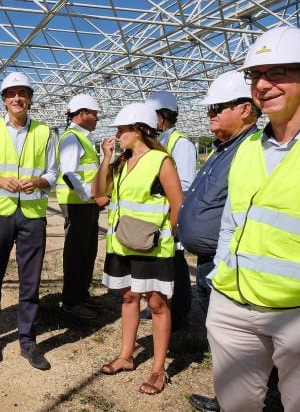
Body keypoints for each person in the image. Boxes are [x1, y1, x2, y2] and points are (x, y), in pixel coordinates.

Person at [207, 25, 300, 411]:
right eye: (256, 75)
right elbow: (231, 221)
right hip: (233, 308)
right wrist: (220, 276)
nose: (263, 85)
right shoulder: (250, 145)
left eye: (278, 73)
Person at [176, 70, 260, 412]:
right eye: (210, 108)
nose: (210, 113)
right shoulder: (224, 148)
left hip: (230, 263)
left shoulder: (251, 149)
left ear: (244, 109)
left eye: (217, 107)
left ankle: (250, 398)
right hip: (210, 259)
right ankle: (231, 397)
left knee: (239, 338)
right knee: (223, 335)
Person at [0, 71, 58, 371]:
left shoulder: (45, 132)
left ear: (30, 98)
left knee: (30, 281)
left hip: (32, 215)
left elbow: (53, 174)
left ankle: (28, 340)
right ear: (4, 100)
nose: (17, 98)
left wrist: (39, 182)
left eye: (22, 93)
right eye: (11, 93)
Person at [95, 102, 184, 395]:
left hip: (152, 247)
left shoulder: (161, 161)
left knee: (157, 304)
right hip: (122, 242)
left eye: (122, 130)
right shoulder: (121, 160)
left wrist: (165, 236)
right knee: (129, 297)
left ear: (140, 130)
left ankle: (158, 370)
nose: (117, 135)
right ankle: (125, 357)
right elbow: (99, 194)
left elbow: (177, 204)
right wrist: (106, 158)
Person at [145, 90, 197, 331]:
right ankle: (161, 307)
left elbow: (184, 184)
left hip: (170, 214)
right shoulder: (159, 141)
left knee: (176, 262)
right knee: (160, 263)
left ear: (162, 116)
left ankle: (180, 313)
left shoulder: (181, 143)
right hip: (155, 215)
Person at [56, 94, 105, 319]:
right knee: (77, 253)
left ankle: (81, 295)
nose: (97, 118)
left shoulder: (84, 138)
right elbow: (69, 174)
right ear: (83, 114)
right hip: (78, 204)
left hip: (85, 204)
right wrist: (91, 196)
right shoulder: (72, 138)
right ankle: (71, 300)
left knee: (88, 251)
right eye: (94, 114)